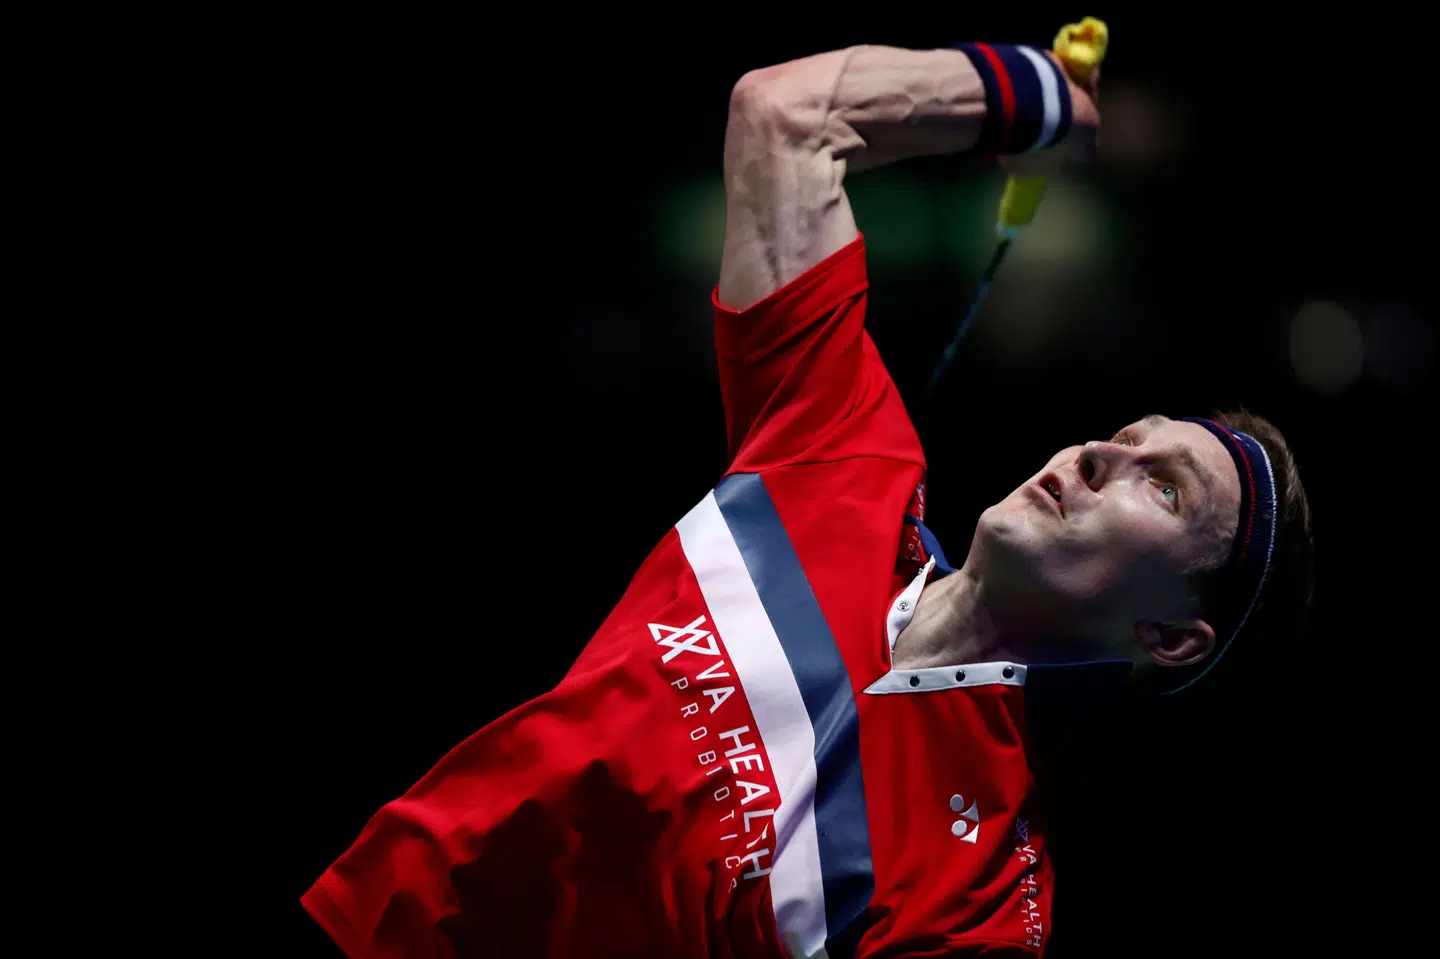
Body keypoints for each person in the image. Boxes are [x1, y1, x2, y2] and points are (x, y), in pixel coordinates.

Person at [301, 37, 1314, 958]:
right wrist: (1030, 95)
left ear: (1174, 635)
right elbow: (785, 119)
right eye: (1126, 436)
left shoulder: (979, 905)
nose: (1099, 452)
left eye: (1162, 487)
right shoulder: (848, 453)